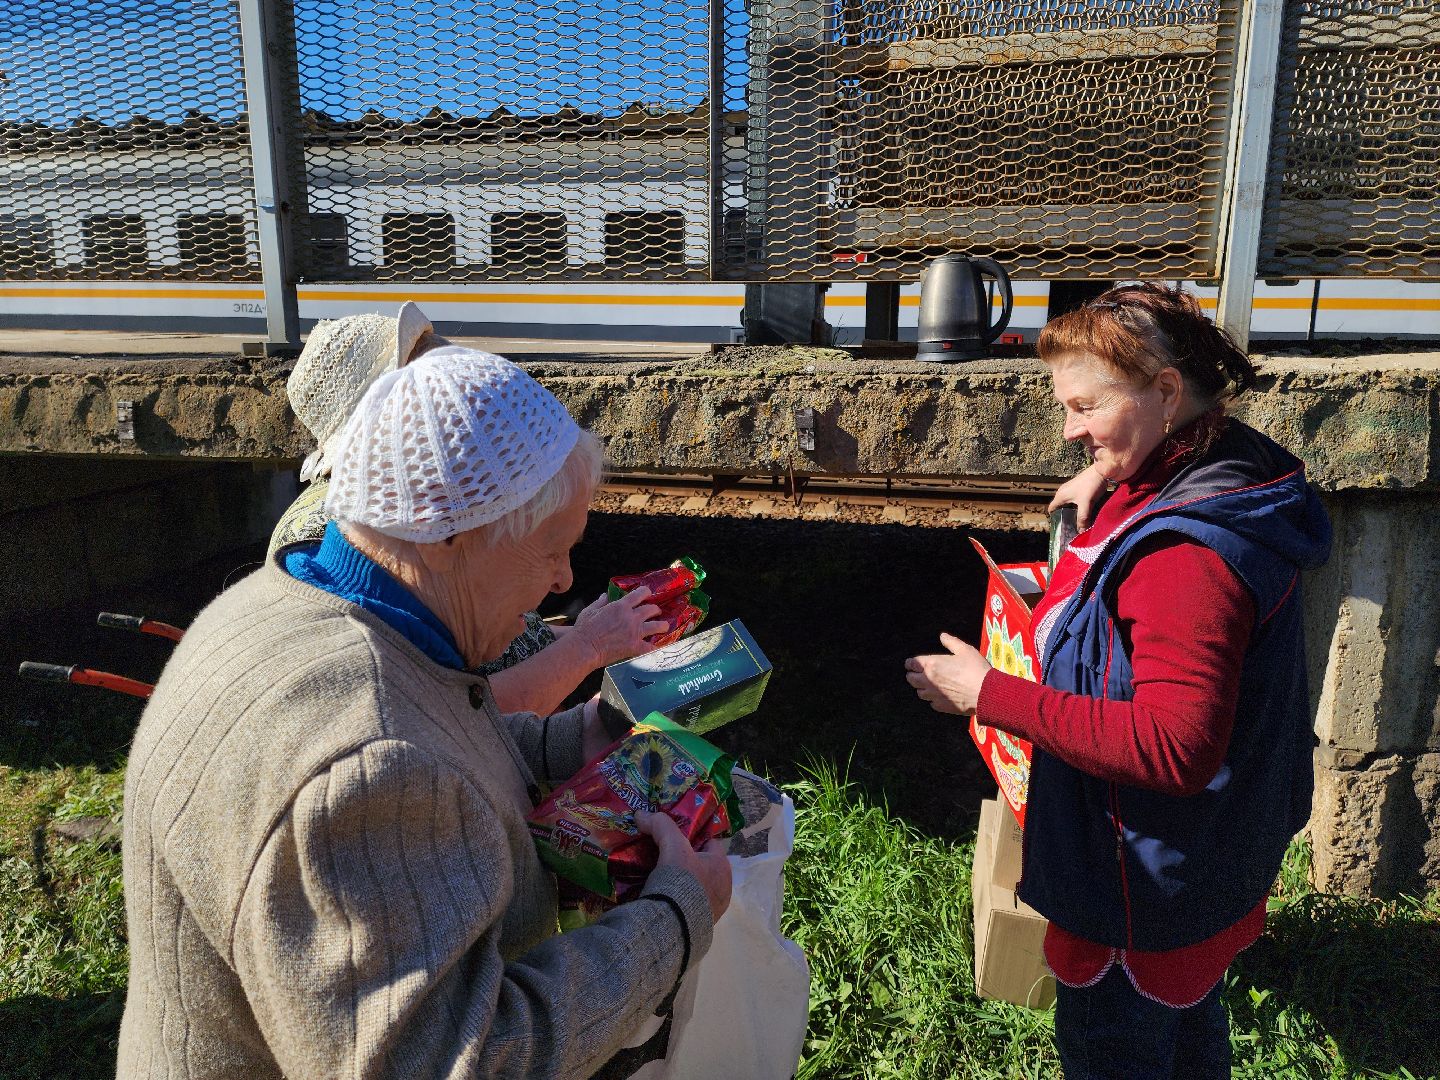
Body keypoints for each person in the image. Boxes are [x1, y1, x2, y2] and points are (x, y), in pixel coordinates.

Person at [119, 347, 732, 1078]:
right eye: (552, 550)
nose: (566, 579)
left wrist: (576, 739)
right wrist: (674, 917)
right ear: (447, 536)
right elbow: (459, 1062)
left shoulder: (276, 606)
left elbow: (432, 725)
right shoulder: (366, 773)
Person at [904, 283, 1331, 1077]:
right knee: (1190, 1033)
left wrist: (987, 695)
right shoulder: (1233, 466)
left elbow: (1174, 747)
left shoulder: (1184, 561)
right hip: (1207, 860)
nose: (1069, 430)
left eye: (1085, 408)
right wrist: (1110, 486)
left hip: (1139, 885)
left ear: (1166, 392)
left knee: (1119, 1047)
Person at [272, 302, 662, 716]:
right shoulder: (336, 529)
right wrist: (589, 647)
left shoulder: (418, 525)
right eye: (421, 375)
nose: (452, 385)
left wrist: (582, 637)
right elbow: (446, 715)